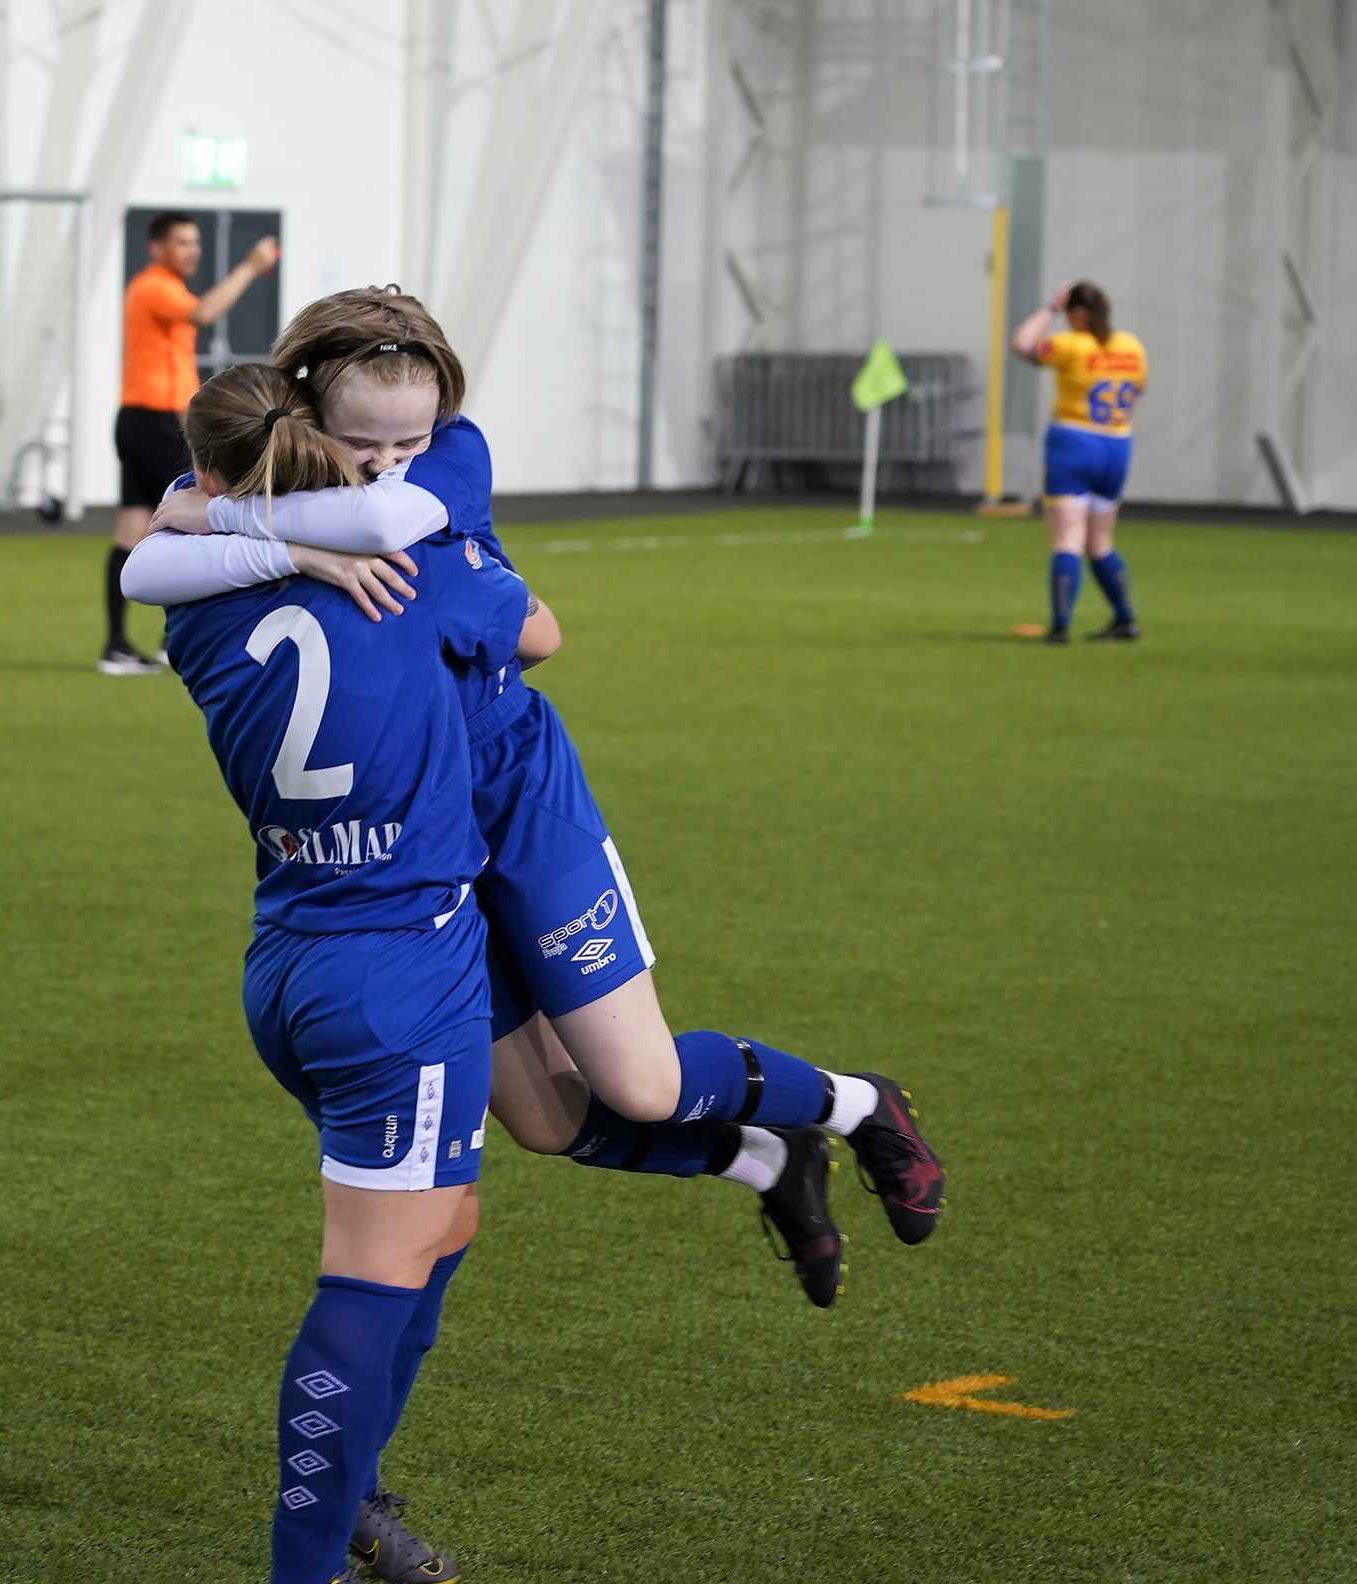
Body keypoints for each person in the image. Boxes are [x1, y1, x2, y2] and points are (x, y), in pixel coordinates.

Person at [132, 290, 945, 1582]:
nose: (397, 458)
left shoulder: (426, 494)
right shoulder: (352, 529)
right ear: (305, 418)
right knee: (540, 1132)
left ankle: (853, 1106)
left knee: (635, 1082)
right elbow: (179, 541)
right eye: (367, 440)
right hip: (418, 862)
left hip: (510, 804)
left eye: (417, 434)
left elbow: (521, 624)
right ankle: (761, 1166)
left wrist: (256, 526)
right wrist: (287, 536)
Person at [157, 361, 557, 1584]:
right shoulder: (411, 576)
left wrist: (252, 525)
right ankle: (309, 1561)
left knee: (446, 1220)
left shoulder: (192, 605)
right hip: (401, 973)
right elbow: (535, 634)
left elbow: (155, 550)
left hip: (287, 964)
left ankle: (354, 1508)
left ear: (211, 477)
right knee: (371, 1268)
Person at [103, 211, 280, 675]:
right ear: (157, 248)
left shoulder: (165, 288)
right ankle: (177, 636)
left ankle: (120, 645)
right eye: (182, 242)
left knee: (134, 526)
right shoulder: (153, 286)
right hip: (155, 420)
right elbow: (204, 313)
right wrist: (250, 265)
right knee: (201, 512)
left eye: (195, 242)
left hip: (142, 418)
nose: (192, 251)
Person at [1009, 279, 1148, 643]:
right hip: (1117, 445)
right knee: (1100, 542)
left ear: (1079, 315)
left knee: (1067, 538)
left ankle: (1059, 626)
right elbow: (1138, 390)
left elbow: (1021, 344)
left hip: (1074, 443)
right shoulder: (1131, 345)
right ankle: (1125, 619)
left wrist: (1050, 309)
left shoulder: (1071, 344)